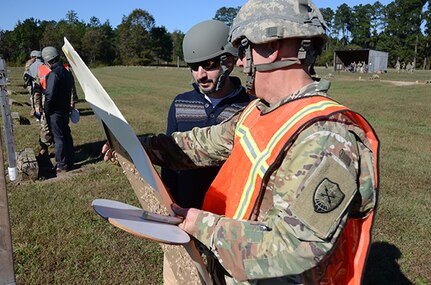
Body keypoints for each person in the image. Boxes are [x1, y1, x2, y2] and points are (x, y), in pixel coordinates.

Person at [103, 0, 379, 283]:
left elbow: (295, 246)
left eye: (244, 50)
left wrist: (202, 225)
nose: (240, 62)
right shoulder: (259, 111)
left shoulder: (326, 136)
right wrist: (135, 145)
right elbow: (199, 145)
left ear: (271, 47)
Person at [162, 19, 254, 209]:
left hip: (228, 217)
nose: (200, 75)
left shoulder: (250, 106)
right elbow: (169, 161)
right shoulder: (180, 104)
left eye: (208, 65)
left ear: (228, 61)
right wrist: (169, 200)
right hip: (185, 210)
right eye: (194, 67)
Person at [40, 46, 75, 173]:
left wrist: (46, 110)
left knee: (58, 137)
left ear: (48, 61)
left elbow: (49, 95)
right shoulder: (67, 73)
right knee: (66, 134)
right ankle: (70, 160)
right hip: (65, 109)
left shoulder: (53, 74)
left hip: (55, 111)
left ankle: (61, 164)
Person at [28, 50, 44, 120]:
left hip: (34, 85)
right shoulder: (43, 65)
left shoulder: (30, 66)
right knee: (42, 100)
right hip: (43, 85)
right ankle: (41, 114)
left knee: (35, 100)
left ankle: (37, 114)